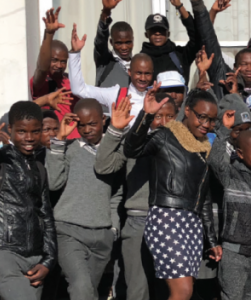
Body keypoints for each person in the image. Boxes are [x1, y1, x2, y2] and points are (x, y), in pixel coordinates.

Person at [124, 84, 221, 300]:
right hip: (167, 218)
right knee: (182, 290)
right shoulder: (165, 135)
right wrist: (146, 116)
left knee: (184, 290)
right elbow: (132, 149)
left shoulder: (205, 149)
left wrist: (211, 240)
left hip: (193, 224)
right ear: (187, 111)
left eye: (211, 120)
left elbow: (204, 198)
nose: (206, 125)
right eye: (202, 117)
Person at [93, 94, 177, 300]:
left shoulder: (184, 145)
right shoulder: (134, 143)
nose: (164, 122)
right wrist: (115, 130)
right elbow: (104, 166)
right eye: (158, 117)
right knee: (138, 289)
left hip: (173, 223)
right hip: (139, 221)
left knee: (170, 290)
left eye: (170, 116)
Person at [45, 98, 123, 300]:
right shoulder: (67, 147)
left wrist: (113, 228)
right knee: (81, 288)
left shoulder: (114, 150)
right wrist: (59, 141)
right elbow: (53, 183)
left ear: (104, 120)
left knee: (89, 292)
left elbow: (116, 194)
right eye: (81, 124)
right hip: (68, 232)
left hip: (101, 235)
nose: (87, 129)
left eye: (92, 123)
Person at [209, 119, 251, 300]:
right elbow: (215, 159)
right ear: (240, 153)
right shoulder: (230, 177)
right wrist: (223, 129)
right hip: (234, 256)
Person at [0, 102, 56, 300]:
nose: (29, 138)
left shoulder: (40, 168)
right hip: (5, 254)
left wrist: (48, 261)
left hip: (34, 259)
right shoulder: (3, 162)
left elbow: (46, 216)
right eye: (22, 131)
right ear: (9, 130)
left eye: (35, 131)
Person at [69, 24, 153, 127]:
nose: (143, 78)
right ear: (130, 72)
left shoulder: (156, 98)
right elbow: (79, 90)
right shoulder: (115, 94)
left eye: (147, 73)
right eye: (138, 73)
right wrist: (75, 53)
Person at [30, 7, 81, 139]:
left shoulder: (69, 81)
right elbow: (42, 68)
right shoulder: (43, 81)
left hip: (74, 142)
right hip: (51, 142)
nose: (59, 65)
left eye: (63, 62)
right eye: (54, 60)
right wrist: (49, 34)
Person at [140, 0, 211, 82]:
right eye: (153, 31)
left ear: (168, 33)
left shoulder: (180, 55)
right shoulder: (141, 60)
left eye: (161, 30)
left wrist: (180, 7)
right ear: (146, 35)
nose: (158, 33)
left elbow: (196, 37)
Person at [94, 0, 134, 88]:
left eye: (128, 42)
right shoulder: (105, 61)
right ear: (111, 42)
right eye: (119, 43)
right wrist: (105, 12)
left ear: (133, 41)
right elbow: (100, 41)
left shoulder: (137, 65)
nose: (124, 47)